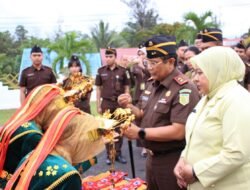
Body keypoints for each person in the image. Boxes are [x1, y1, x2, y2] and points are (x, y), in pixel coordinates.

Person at [118, 35, 200, 190]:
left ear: (170, 62)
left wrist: (140, 133)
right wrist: (128, 105)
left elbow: (178, 131)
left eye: (154, 63)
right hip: (152, 158)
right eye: (148, 62)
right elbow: (144, 115)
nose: (149, 67)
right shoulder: (153, 83)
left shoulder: (184, 88)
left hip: (172, 160)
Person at [0, 84, 106, 189]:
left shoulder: (22, 123)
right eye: (56, 107)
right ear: (47, 108)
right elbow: (54, 171)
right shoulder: (33, 136)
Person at [174, 46, 250, 189]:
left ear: (218, 71)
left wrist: (195, 172)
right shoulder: (209, 96)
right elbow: (195, 135)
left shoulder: (237, 100)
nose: (194, 78)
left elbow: (237, 153)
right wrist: (183, 159)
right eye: (195, 72)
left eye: (200, 73)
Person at [95, 47, 130, 165]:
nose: (108, 59)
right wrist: (98, 105)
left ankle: (118, 153)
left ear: (115, 57)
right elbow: (98, 89)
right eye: (107, 56)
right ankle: (109, 154)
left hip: (119, 104)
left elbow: (126, 87)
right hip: (106, 103)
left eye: (111, 56)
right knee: (107, 129)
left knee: (120, 129)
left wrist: (127, 101)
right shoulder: (100, 71)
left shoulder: (123, 71)